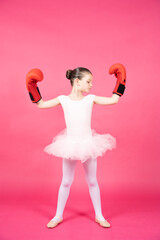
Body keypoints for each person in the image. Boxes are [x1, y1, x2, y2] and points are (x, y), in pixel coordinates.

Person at [26, 64, 126, 228]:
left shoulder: (90, 98)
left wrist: (121, 81)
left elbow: (113, 100)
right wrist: (32, 86)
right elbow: (41, 104)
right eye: (89, 81)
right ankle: (58, 215)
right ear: (77, 82)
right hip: (70, 144)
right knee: (66, 181)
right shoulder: (63, 99)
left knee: (92, 181)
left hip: (88, 144)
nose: (91, 85)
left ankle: (99, 216)